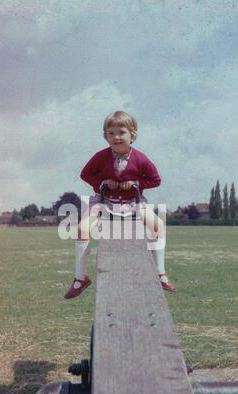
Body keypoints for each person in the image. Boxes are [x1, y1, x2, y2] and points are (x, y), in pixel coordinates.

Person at [64, 110, 176, 299]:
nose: (116, 137)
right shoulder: (100, 156)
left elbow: (156, 180)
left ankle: (160, 273)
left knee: (158, 226)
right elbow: (85, 174)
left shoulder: (141, 158)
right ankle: (80, 278)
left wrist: (136, 184)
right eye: (111, 133)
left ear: (133, 135)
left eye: (121, 132)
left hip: (133, 201)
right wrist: (103, 182)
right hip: (104, 200)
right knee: (82, 229)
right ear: (105, 137)